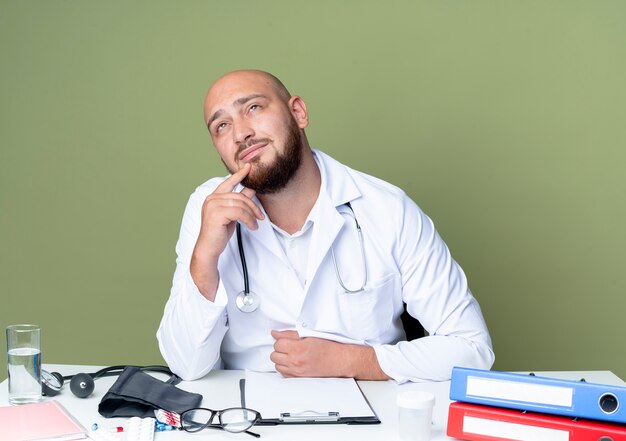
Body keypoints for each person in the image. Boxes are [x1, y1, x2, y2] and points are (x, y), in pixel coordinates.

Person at [157, 69, 494, 383]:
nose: (241, 133)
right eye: (221, 126)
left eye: (254, 108)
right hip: (249, 417)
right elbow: (186, 365)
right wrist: (204, 258)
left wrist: (352, 361)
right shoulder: (209, 209)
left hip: (372, 416)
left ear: (298, 113)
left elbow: (472, 349)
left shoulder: (388, 209)